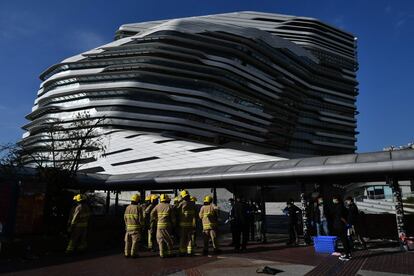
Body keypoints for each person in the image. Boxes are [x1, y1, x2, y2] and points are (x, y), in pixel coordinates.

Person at [150, 194, 176, 258]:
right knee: (168, 239)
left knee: (160, 239)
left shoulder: (157, 206)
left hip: (159, 225)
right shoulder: (170, 206)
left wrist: (156, 219)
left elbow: (151, 214)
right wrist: (174, 224)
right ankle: (170, 253)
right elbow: (173, 218)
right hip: (167, 225)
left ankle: (162, 254)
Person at [331, 195, 352, 261]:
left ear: (337, 200)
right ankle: (348, 254)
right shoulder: (342, 206)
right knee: (345, 239)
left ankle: (347, 255)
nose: (333, 200)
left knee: (344, 240)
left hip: (340, 225)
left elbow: (340, 217)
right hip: (342, 225)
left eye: (334, 199)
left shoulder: (339, 207)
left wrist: (346, 223)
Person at [124, 194, 144, 258]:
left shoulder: (127, 207)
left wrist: (126, 225)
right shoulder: (138, 207)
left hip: (128, 228)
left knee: (128, 241)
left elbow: (125, 218)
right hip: (136, 228)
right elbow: (140, 218)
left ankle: (127, 253)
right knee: (135, 241)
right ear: (137, 200)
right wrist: (142, 225)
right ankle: (133, 254)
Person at [177, 190, 196, 256]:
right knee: (189, 238)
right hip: (190, 224)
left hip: (183, 224)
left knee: (183, 238)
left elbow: (177, 210)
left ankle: (182, 251)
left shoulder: (182, 203)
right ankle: (190, 251)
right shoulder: (192, 203)